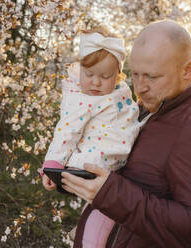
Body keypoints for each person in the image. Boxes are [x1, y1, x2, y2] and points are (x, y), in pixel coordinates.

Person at [61, 20, 191, 248]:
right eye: (135, 74)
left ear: (188, 69)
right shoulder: (148, 109)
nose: (140, 87)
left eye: (152, 77)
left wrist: (111, 195)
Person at [40, 27, 149, 248]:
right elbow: (66, 131)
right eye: (89, 74)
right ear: (80, 69)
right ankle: (86, 236)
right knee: (102, 211)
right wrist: (52, 164)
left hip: (113, 161)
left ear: (118, 76)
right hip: (93, 163)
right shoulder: (82, 99)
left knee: (98, 209)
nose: (96, 83)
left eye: (105, 77)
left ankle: (82, 229)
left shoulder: (116, 90)